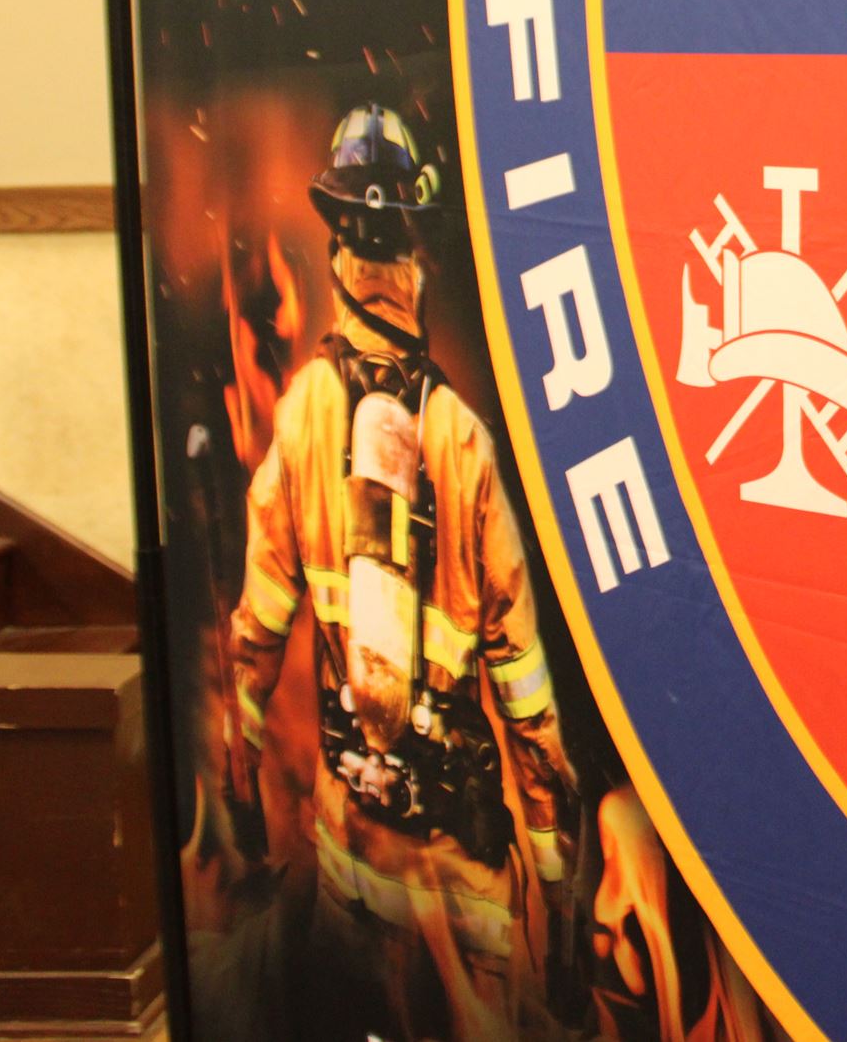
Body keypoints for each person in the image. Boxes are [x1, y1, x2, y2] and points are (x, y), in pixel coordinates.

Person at [224, 103, 579, 1040]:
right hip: (468, 874)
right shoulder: (462, 439)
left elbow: (255, 632)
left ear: (337, 238)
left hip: (352, 850)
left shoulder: (302, 412)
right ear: (413, 243)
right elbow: (526, 697)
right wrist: (556, 882)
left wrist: (238, 785)